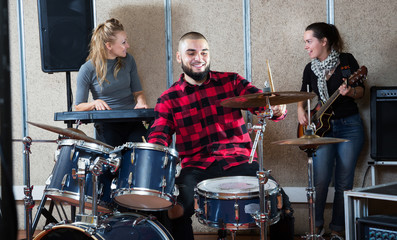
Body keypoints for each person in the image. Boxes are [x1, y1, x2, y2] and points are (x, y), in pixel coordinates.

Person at [147, 32, 294, 240]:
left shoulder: (231, 82)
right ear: (179, 57)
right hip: (196, 168)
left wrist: (277, 110)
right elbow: (158, 135)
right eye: (191, 53)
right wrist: (152, 153)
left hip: (239, 161)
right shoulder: (168, 99)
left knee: (281, 205)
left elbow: (262, 103)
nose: (199, 58)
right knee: (174, 211)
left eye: (204, 52)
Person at [297, 22, 365, 240]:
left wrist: (350, 90)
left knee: (344, 182)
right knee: (320, 180)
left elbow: (361, 91)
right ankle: (316, 228)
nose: (306, 47)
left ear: (323, 41)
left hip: (350, 127)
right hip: (322, 129)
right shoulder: (310, 68)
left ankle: (337, 229)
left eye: (309, 41)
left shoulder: (347, 61)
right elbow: (302, 95)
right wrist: (300, 111)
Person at [75, 18, 149, 147]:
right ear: (109, 46)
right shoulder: (87, 69)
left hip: (132, 120)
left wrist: (141, 101)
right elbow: (78, 107)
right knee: (113, 161)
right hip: (107, 124)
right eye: (123, 42)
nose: (128, 46)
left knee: (144, 152)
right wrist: (94, 103)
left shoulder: (129, 60)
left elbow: (138, 92)